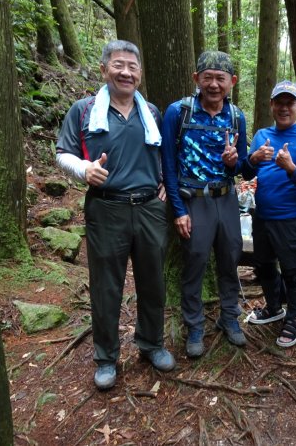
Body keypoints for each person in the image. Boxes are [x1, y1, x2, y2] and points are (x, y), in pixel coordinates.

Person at [56, 40, 175, 390]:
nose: (126, 72)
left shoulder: (151, 112)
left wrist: (166, 181)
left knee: (153, 281)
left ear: (140, 73)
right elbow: (62, 153)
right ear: (105, 68)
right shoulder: (83, 109)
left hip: (150, 208)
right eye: (119, 65)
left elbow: (165, 155)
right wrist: (83, 170)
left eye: (132, 67)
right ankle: (106, 358)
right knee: (106, 287)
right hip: (106, 208)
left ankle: (151, 344)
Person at [161, 51, 248, 358]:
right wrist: (179, 211)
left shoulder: (237, 116)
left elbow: (243, 166)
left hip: (226, 198)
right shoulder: (178, 112)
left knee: (230, 258)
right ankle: (194, 326)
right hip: (192, 199)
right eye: (207, 77)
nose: (213, 84)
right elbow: (168, 165)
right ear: (196, 78)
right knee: (195, 263)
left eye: (220, 78)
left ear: (232, 82)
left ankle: (229, 318)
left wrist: (235, 161)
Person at [242, 80, 296, 347]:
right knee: (263, 265)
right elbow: (247, 173)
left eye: (290, 103)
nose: (284, 108)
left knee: (292, 270)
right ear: (272, 105)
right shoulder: (262, 134)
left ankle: (294, 317)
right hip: (262, 216)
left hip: (290, 219)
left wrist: (290, 168)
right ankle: (274, 307)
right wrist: (253, 159)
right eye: (280, 102)